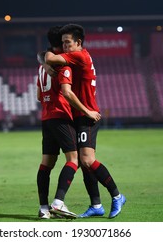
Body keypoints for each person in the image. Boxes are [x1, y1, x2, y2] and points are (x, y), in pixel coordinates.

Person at [45, 24, 126, 219]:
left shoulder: (78, 56)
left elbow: (49, 57)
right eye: (62, 43)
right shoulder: (80, 56)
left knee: (87, 160)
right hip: (81, 115)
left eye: (67, 42)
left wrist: (48, 63)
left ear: (78, 42)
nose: (64, 46)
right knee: (83, 161)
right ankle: (96, 205)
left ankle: (117, 195)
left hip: (87, 116)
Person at [36, 26, 99, 219]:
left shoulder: (41, 68)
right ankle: (59, 202)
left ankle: (43, 208)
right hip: (62, 116)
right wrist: (85, 110)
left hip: (46, 118)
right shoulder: (63, 65)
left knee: (46, 163)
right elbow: (66, 92)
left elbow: (39, 96)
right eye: (64, 43)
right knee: (74, 160)